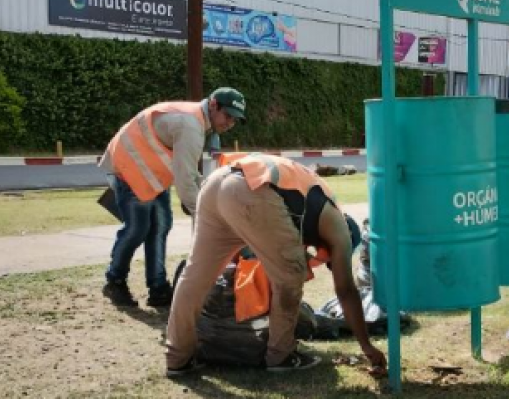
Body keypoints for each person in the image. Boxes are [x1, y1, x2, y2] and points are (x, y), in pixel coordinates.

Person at [165, 153, 387, 376]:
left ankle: (177, 358)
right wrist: (367, 346)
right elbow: (346, 290)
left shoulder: (312, 204)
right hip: (251, 189)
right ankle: (281, 356)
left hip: (217, 183)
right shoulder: (340, 229)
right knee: (291, 275)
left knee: (195, 277)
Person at [99, 87, 246, 307]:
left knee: (160, 227)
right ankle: (114, 281)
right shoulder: (191, 126)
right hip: (128, 169)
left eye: (235, 120)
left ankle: (158, 289)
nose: (230, 123)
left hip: (153, 176)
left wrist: (208, 195)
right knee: (137, 229)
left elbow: (189, 173)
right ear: (214, 105)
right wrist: (205, 214)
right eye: (228, 116)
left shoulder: (197, 121)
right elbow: (185, 181)